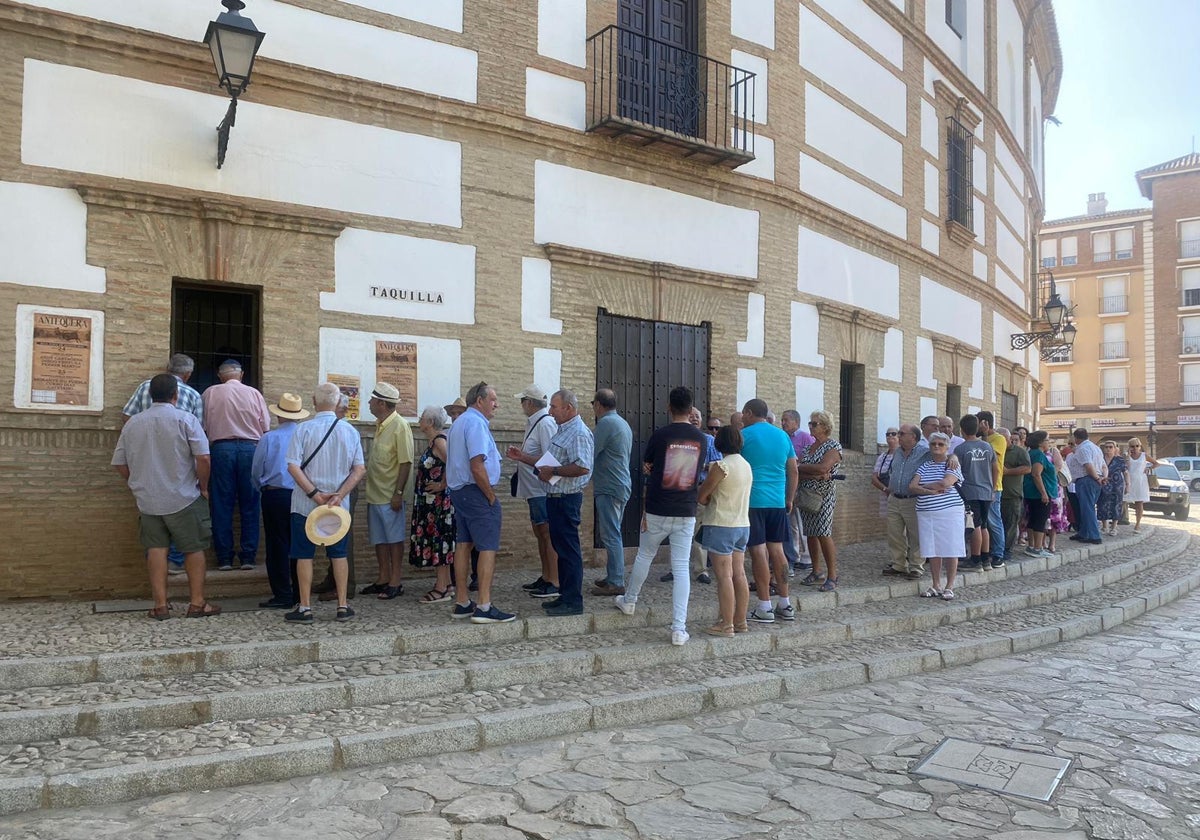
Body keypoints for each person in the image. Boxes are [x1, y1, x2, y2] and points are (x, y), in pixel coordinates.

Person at [112, 374, 221, 619]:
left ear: (150, 395)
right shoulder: (186, 419)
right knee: (194, 549)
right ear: (176, 394)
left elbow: (119, 463)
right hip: (184, 496)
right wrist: (202, 486)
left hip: (148, 500)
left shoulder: (133, 423)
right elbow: (203, 457)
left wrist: (136, 483)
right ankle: (197, 603)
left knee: (156, 549)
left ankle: (160, 605)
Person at [614, 386, 709, 645]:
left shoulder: (660, 436)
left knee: (645, 555)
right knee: (681, 567)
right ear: (691, 410)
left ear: (669, 407)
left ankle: (630, 600)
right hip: (686, 509)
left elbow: (648, 468)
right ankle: (679, 628)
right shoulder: (701, 439)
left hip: (657, 507)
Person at [284, 383, 366, 622]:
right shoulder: (350, 431)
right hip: (337, 507)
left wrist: (314, 494)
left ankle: (305, 607)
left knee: (304, 555)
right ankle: (342, 605)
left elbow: (293, 466)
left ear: (313, 400)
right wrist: (339, 495)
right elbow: (359, 469)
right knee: (338, 554)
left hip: (304, 504)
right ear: (338, 401)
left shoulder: (303, 429)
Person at [513, 389, 594, 617]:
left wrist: (554, 471)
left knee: (569, 551)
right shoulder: (562, 430)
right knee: (561, 549)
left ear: (568, 407)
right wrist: (524, 458)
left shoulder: (578, 432)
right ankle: (564, 596)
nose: (550, 411)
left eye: (555, 407)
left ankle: (573, 601)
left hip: (567, 499)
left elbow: (583, 466)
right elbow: (548, 462)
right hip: (555, 498)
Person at [123, 353, 204, 574]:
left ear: (168, 368)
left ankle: (156, 566)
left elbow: (127, 418)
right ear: (187, 375)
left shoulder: (143, 387)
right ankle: (175, 561)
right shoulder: (194, 395)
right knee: (185, 524)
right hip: (179, 466)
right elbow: (200, 440)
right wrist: (202, 482)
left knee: (153, 528)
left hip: (146, 466)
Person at [447, 382, 515, 623]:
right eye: (493, 399)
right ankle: (484, 606)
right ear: (480, 401)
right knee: (487, 547)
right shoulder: (475, 423)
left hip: (459, 491)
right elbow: (477, 464)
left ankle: (463, 602)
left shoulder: (460, 423)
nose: (497, 404)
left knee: (464, 544)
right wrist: (490, 495)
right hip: (476, 491)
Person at [203, 359, 270, 571]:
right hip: (251, 449)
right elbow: (265, 427)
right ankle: (248, 557)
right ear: (241, 375)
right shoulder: (254, 394)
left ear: (220, 375)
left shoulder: (210, 393)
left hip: (221, 449)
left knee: (221, 503)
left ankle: (224, 558)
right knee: (250, 503)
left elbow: (202, 425)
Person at [740, 399, 798, 621]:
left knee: (757, 552)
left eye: (744, 414)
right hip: (777, 502)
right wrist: (789, 498)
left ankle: (764, 606)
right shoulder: (782, 436)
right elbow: (793, 470)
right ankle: (785, 603)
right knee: (778, 551)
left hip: (753, 501)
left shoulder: (745, 435)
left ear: (748, 412)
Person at [251, 392, 310, 609]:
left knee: (277, 546)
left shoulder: (269, 438)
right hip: (302, 494)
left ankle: (283, 594)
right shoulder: (306, 436)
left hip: (275, 495)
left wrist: (259, 487)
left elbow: (256, 470)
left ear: (279, 416)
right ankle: (299, 592)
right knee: (299, 545)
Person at [358, 383, 414, 600]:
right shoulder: (380, 424)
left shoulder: (400, 426)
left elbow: (406, 462)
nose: (370, 403)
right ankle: (382, 578)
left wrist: (398, 493)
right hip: (375, 493)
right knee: (379, 539)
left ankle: (395, 581)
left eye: (372, 400)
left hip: (391, 495)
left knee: (394, 540)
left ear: (382, 403)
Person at [697, 425, 753, 637]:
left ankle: (726, 624)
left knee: (724, 576)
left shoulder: (721, 466)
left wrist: (709, 497)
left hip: (721, 523)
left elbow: (702, 496)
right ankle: (740, 620)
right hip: (742, 524)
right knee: (739, 573)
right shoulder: (746, 465)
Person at [510, 385, 559, 599]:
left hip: (542, 490)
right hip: (533, 490)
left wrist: (522, 457)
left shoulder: (545, 423)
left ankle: (554, 580)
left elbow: (551, 461)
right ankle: (546, 576)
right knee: (541, 533)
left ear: (530, 403)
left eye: (523, 401)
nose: (521, 405)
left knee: (547, 534)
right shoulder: (535, 423)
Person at [662, 407, 719, 584]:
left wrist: (697, 466)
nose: (694, 419)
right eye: (691, 415)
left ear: (702, 421)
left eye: (698, 416)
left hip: (700, 490)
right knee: (676, 529)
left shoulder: (709, 440)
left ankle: (701, 570)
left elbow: (718, 465)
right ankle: (675, 569)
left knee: (698, 530)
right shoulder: (678, 439)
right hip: (679, 490)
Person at [909, 432, 964, 601]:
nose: (937, 447)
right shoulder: (924, 466)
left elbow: (945, 483)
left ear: (947, 447)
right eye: (934, 444)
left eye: (941, 444)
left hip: (949, 511)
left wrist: (922, 487)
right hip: (926, 512)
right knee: (931, 549)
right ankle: (936, 584)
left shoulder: (952, 464)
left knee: (950, 548)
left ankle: (949, 586)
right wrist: (929, 490)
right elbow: (911, 486)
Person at [590, 389, 633, 596]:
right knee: (612, 532)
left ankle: (616, 581)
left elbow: (591, 451)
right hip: (619, 484)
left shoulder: (606, 424)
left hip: (610, 486)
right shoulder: (622, 423)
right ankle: (612, 576)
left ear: (598, 404)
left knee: (611, 534)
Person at [411, 405, 456, 603]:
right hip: (430, 503)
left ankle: (441, 587)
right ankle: (445, 585)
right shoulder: (433, 441)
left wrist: (442, 484)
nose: (419, 420)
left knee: (439, 541)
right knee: (438, 541)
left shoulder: (439, 441)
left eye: (422, 418)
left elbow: (452, 462)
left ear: (430, 422)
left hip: (438, 503)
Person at [796, 410, 843, 591]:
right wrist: (812, 471)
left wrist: (806, 469)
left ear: (825, 426)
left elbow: (824, 467)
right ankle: (816, 571)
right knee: (811, 533)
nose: (810, 427)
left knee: (823, 532)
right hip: (807, 493)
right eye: (810, 423)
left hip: (824, 496)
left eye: (814, 424)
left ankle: (833, 575)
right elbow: (800, 469)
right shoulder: (809, 448)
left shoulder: (833, 447)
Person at [880, 424, 929, 580]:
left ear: (913, 436)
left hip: (912, 499)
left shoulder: (924, 452)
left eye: (901, 433)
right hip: (894, 498)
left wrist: (953, 457)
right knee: (895, 534)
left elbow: (943, 458)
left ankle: (916, 567)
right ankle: (898, 565)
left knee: (915, 535)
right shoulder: (898, 452)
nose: (898, 436)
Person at [954, 414, 997, 571]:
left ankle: (975, 560)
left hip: (970, 492)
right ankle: (986, 560)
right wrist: (992, 489)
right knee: (984, 525)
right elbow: (996, 469)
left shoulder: (960, 449)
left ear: (962, 430)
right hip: (986, 491)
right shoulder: (987, 446)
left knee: (975, 526)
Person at [780, 409, 815, 573]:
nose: (783, 423)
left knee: (801, 523)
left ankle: (807, 557)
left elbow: (808, 459)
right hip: (787, 485)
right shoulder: (784, 437)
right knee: (791, 524)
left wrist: (795, 464)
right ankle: (795, 555)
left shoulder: (805, 437)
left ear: (796, 421)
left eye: (786, 420)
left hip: (800, 485)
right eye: (782, 420)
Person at [976, 411, 1007, 569]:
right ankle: (983, 553)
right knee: (981, 524)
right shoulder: (981, 439)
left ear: (985, 423)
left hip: (994, 487)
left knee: (994, 522)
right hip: (980, 486)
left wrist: (985, 435)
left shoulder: (999, 439)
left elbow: (988, 454)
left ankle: (998, 554)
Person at [1022, 430, 1058, 557]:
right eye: (1047, 440)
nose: (1049, 442)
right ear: (1041, 442)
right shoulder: (1039, 455)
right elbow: (1036, 474)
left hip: (1032, 492)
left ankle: (1031, 546)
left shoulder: (1032, 453)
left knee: (1033, 519)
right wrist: (1044, 493)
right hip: (1039, 493)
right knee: (1040, 520)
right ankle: (1037, 547)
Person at [1066, 428, 1105, 545]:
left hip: (1087, 479)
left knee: (1087, 508)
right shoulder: (1096, 448)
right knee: (1087, 507)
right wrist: (1101, 477)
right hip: (1094, 478)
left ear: (1076, 438)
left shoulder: (1082, 448)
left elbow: (1088, 465)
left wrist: (1096, 478)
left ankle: (1094, 535)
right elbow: (1103, 465)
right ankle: (1083, 532)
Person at [999, 427, 1029, 559]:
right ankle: (996, 548)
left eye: (1002, 439)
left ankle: (1007, 549)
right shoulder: (995, 450)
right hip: (996, 493)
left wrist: (1008, 472)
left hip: (1012, 494)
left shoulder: (1019, 452)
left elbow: (1027, 468)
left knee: (1010, 523)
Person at [1123, 437, 1159, 533]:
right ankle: (1120, 520)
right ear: (1129, 447)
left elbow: (1156, 463)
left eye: (1137, 446)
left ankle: (1137, 524)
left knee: (1139, 503)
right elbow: (1125, 467)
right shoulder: (1127, 456)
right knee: (1123, 501)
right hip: (1129, 481)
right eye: (1132, 446)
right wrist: (1127, 456)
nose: (1135, 448)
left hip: (1140, 481)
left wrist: (1148, 468)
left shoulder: (1144, 455)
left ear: (1140, 446)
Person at [1097, 440, 1127, 536]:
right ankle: (1104, 526)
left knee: (1116, 504)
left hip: (1117, 485)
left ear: (1115, 449)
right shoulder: (1100, 459)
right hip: (1104, 484)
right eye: (1106, 447)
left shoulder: (1119, 460)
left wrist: (1128, 484)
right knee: (1102, 504)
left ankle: (1114, 527)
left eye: (1111, 447)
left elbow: (1125, 472)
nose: (1108, 449)